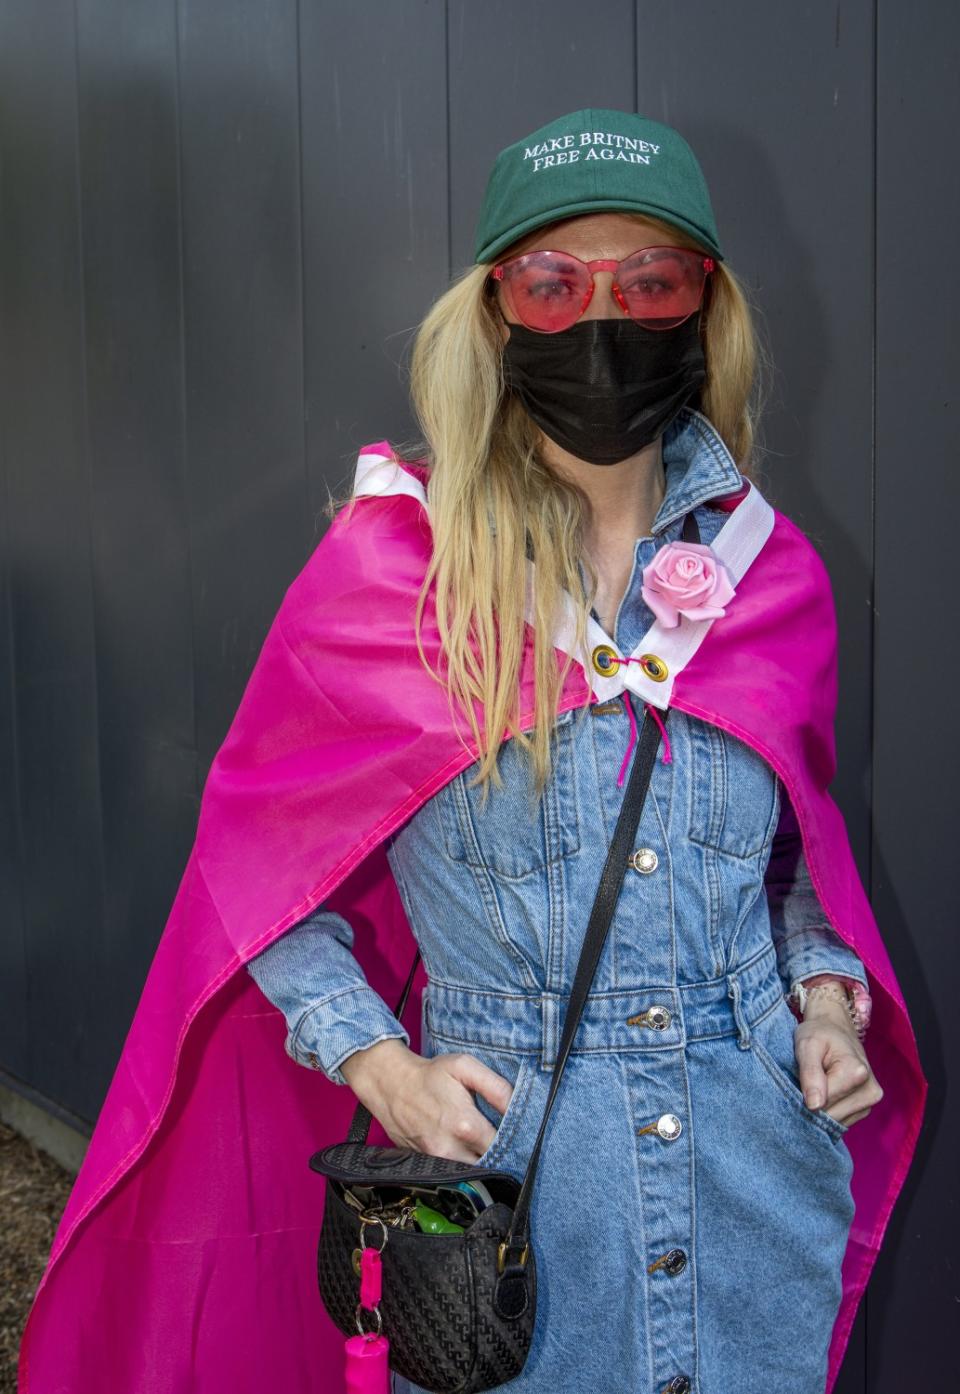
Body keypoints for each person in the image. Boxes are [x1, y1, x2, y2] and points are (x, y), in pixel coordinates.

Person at [19, 108, 925, 1394]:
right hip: (503, 1198)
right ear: (495, 315)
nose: (603, 318)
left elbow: (793, 865)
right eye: (553, 283)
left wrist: (825, 1003)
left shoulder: (771, 575)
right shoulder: (395, 575)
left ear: (703, 309)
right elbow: (254, 870)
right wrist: (377, 1065)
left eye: (650, 280)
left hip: (754, 1190)